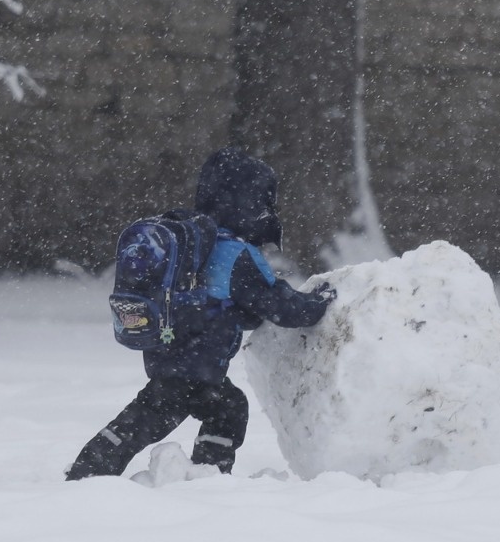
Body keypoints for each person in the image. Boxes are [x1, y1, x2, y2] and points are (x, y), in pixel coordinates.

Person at [65, 147, 336, 480]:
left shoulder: (201, 243)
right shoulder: (237, 254)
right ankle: (90, 475)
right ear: (251, 203)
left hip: (170, 352)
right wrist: (323, 300)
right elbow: (282, 307)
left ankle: (204, 474)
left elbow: (229, 304)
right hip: (195, 365)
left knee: (222, 408)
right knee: (150, 419)